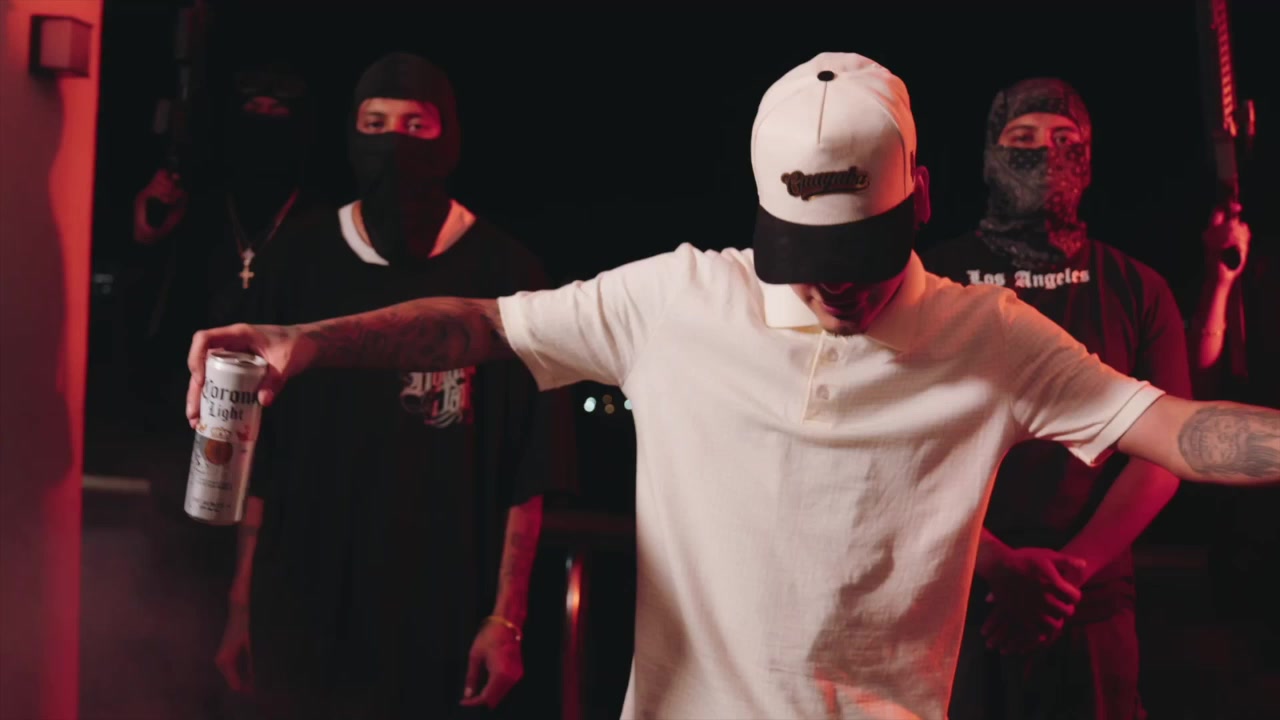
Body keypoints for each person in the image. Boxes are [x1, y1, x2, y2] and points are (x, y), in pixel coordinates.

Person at [186, 53, 1280, 720]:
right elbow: (482, 323)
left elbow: (1176, 430)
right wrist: (300, 342)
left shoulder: (986, 335)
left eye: (860, 256)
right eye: (809, 257)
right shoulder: (678, 299)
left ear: (919, 198)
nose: (836, 288)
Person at [209, 53, 575, 719]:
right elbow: (264, 459)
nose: (393, 145)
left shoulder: (507, 273)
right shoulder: (298, 260)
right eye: (375, 124)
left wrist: (507, 618)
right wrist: (240, 605)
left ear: (448, 137)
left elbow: (529, 470)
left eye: (415, 125)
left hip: (440, 616)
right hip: (301, 603)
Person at [921, 78, 1190, 720]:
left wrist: (1070, 571)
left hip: (1088, 605)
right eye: (1023, 137)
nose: (1045, 153)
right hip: (953, 599)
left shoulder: (1136, 287)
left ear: (1088, 159)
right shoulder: (928, 280)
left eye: (1065, 139)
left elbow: (1167, 450)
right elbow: (894, 441)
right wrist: (993, 563)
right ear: (991, 154)